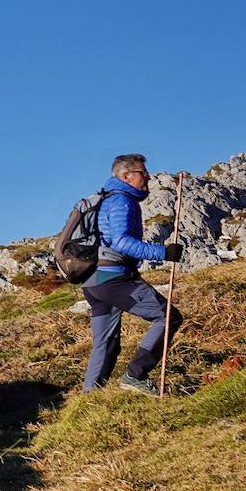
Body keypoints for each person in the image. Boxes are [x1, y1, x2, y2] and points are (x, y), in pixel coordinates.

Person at [82, 153, 183, 395]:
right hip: (113, 278)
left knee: (105, 344)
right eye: (142, 172)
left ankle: (90, 399)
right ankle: (135, 376)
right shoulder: (121, 201)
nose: (148, 176)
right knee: (167, 317)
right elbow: (121, 242)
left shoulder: (102, 199)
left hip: (93, 281)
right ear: (126, 176)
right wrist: (163, 252)